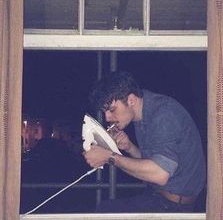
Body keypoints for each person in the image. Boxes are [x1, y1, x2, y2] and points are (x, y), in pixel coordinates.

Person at [83, 71, 206, 213]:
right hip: (157, 197)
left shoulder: (163, 115)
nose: (108, 118)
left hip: (174, 207)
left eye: (112, 109)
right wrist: (129, 147)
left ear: (131, 100)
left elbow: (160, 174)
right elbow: (155, 162)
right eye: (105, 112)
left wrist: (109, 157)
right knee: (104, 208)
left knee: (104, 212)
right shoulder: (142, 115)